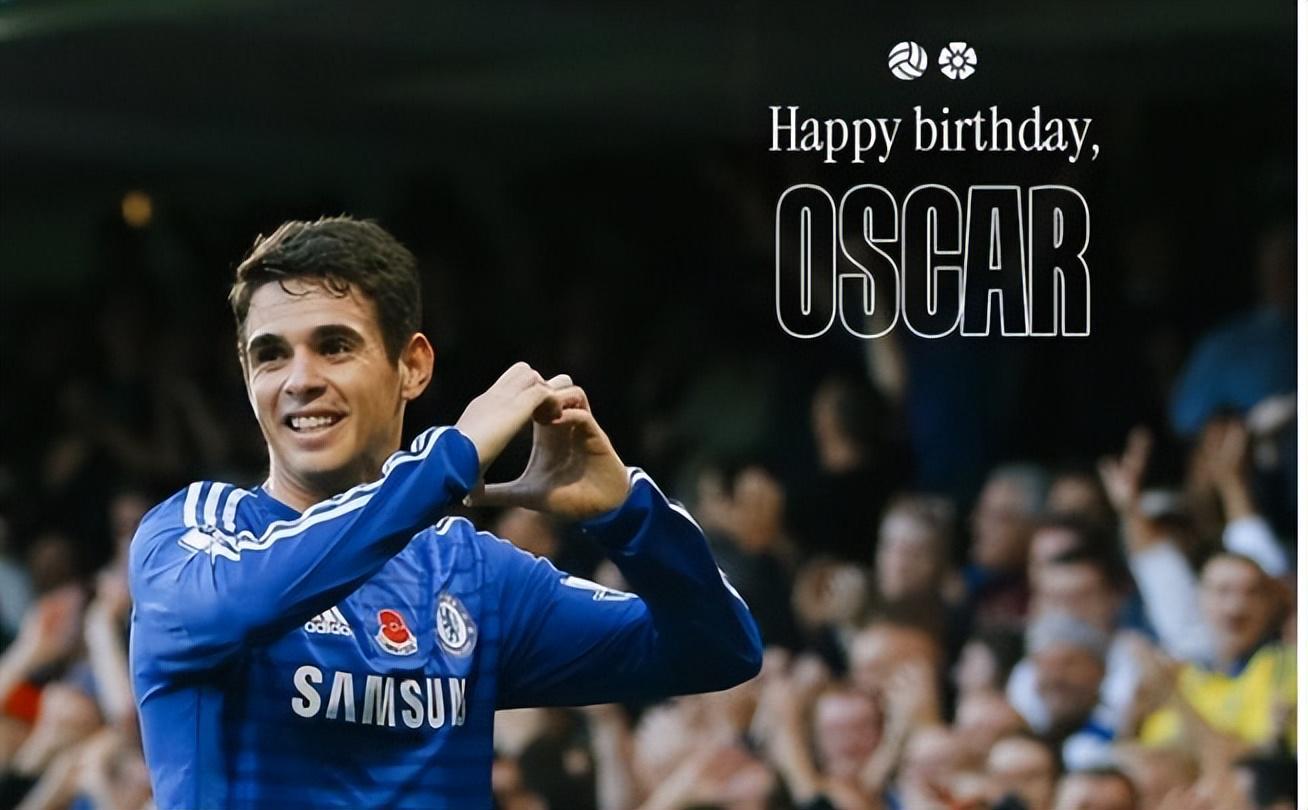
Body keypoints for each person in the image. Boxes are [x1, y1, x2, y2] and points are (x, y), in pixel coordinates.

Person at [127, 217, 763, 809]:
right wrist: (446, 460)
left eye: (334, 346)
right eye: (270, 354)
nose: (299, 379)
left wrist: (627, 514)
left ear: (412, 366)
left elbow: (719, 649)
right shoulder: (192, 534)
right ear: (246, 374)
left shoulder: (472, 574)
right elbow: (239, 606)